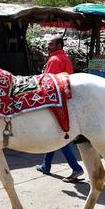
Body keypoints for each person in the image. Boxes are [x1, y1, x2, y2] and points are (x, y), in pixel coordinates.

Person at [35, 36, 84, 183]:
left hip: (55, 101)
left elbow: (47, 83)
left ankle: (76, 168)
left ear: (59, 44)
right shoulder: (65, 58)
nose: (48, 46)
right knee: (55, 134)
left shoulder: (54, 60)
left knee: (60, 136)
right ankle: (46, 165)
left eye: (51, 44)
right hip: (65, 99)